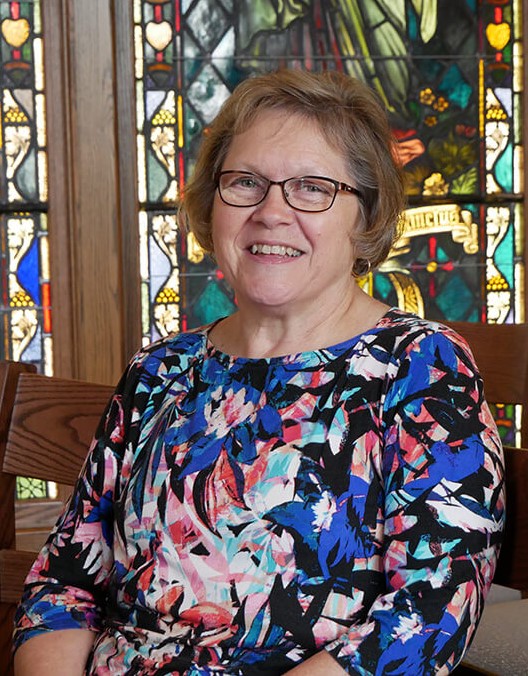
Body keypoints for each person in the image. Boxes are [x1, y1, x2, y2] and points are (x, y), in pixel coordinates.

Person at [13, 69, 504, 675]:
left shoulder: (422, 367)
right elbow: (63, 584)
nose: (272, 212)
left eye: (312, 188)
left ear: (365, 217)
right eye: (246, 182)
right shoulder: (160, 370)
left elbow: (431, 611)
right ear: (212, 205)